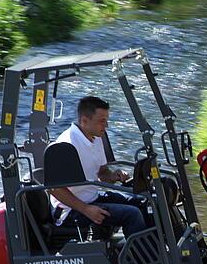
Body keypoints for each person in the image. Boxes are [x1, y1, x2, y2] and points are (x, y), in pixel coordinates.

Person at [49, 96, 150, 238]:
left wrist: (114, 175)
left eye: (106, 120)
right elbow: (54, 188)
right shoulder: (67, 145)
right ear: (84, 121)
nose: (106, 126)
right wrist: (86, 209)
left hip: (91, 198)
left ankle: (155, 250)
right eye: (102, 121)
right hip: (70, 211)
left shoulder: (96, 137)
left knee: (141, 201)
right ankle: (141, 258)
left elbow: (102, 173)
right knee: (132, 214)